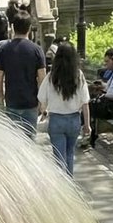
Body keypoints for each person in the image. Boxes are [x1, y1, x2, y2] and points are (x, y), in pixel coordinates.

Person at [37, 42, 90, 176]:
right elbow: (85, 102)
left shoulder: (51, 77)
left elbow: (41, 98)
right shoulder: (78, 75)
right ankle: (70, 182)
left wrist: (44, 112)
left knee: (59, 157)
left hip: (56, 120)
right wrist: (87, 125)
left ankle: (63, 185)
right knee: (70, 154)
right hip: (74, 120)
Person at [0, 10, 46, 139]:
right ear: (29, 28)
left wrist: (0, 101)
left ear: (12, 27)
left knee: (14, 143)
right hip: (31, 102)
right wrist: (42, 103)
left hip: (12, 102)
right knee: (30, 142)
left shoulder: (3, 50)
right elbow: (42, 79)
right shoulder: (36, 50)